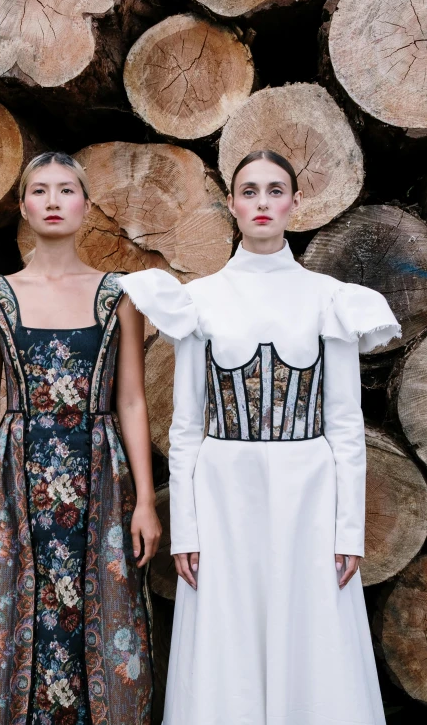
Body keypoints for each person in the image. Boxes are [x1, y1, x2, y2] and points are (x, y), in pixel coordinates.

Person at [118, 149, 400, 725]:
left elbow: (345, 426)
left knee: (312, 634)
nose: (263, 202)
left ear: (295, 204)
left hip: (310, 498)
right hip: (225, 498)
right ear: (232, 204)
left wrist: (348, 528)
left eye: (275, 190)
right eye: (250, 191)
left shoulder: (331, 300)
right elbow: (188, 428)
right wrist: (187, 529)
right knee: (230, 638)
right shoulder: (198, 301)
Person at [0, 151, 160, 725]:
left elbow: (131, 399)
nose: (52, 201)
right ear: (22, 207)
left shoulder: (119, 294)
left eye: (66, 190)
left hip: (100, 475)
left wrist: (145, 499)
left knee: (108, 609)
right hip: (15, 480)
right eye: (39, 191)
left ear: (86, 207)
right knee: (10, 609)